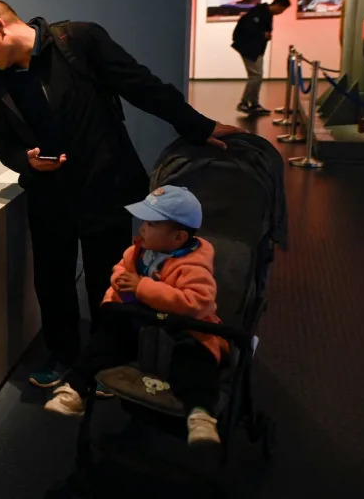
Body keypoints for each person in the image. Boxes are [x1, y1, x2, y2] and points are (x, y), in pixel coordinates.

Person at [0, 0, 241, 388]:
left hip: (104, 186)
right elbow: (1, 143)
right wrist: (27, 160)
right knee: (53, 283)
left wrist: (198, 126)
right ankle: (64, 356)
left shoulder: (79, 41)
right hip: (48, 197)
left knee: (108, 281)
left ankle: (111, 362)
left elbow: (140, 84)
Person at [43, 185, 227, 446]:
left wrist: (142, 287)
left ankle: (201, 414)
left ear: (178, 238)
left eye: (150, 224)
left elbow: (196, 302)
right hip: (140, 327)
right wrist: (122, 286)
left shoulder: (193, 265)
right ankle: (76, 387)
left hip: (184, 331)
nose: (142, 228)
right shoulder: (138, 251)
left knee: (196, 362)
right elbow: (119, 271)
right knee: (103, 343)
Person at [231, 0, 291, 116]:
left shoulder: (265, 13)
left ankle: (254, 104)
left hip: (256, 49)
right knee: (256, 76)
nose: (281, 12)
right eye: (282, 10)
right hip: (249, 49)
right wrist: (262, 34)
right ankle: (244, 103)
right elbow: (247, 28)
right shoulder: (259, 12)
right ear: (278, 5)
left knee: (256, 76)